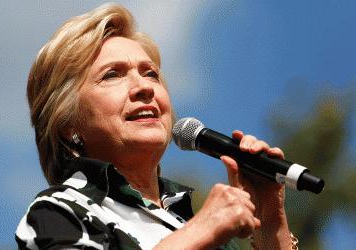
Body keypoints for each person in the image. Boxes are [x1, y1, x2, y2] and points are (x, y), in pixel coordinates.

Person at [15, 3, 298, 249]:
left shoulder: (191, 222)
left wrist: (270, 224)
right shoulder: (60, 211)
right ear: (67, 124)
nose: (144, 88)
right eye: (112, 75)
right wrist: (200, 232)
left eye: (151, 74)